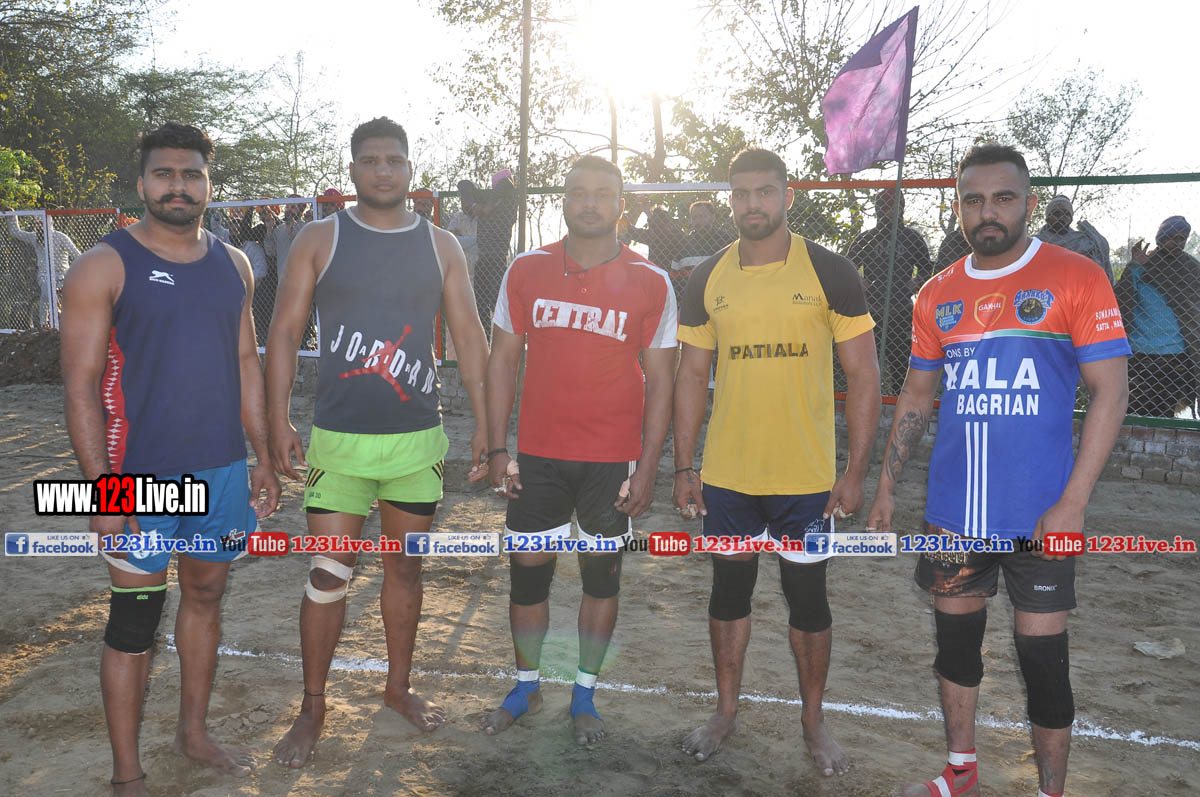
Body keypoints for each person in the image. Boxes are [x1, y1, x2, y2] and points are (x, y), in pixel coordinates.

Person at [867, 144, 1130, 797]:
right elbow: (918, 395)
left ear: (1029, 204)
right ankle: (960, 772)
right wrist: (887, 484)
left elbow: (1111, 391)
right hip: (953, 514)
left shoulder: (1075, 277)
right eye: (974, 199)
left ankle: (1050, 790)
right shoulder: (936, 294)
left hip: (1042, 514)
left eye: (1003, 198)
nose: (988, 212)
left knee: (1043, 660)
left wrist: (1073, 502)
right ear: (958, 208)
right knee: (955, 648)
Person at [59, 122, 281, 794]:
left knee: (206, 595)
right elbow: (79, 386)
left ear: (209, 185)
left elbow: (245, 361)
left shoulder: (235, 264)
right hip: (138, 480)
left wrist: (262, 455)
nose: (177, 186)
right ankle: (127, 772)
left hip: (221, 470)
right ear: (142, 183)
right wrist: (101, 492)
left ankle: (193, 732)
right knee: (134, 619)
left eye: (191, 175)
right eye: (164, 174)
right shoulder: (103, 265)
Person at [265, 116, 490, 768]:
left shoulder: (442, 245)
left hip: (416, 444)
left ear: (411, 170)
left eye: (394, 160)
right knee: (328, 573)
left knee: (405, 570)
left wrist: (488, 427)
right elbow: (284, 333)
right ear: (353, 170)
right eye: (371, 160)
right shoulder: (319, 237)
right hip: (338, 444)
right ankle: (313, 707)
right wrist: (277, 420)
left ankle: (397, 688)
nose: (383, 170)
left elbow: (470, 337)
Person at [673, 148, 881, 774]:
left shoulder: (831, 271)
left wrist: (855, 471)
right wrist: (684, 467)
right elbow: (691, 376)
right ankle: (726, 712)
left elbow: (864, 375)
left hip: (807, 481)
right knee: (728, 595)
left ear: (788, 196)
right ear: (730, 200)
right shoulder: (708, 277)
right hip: (729, 478)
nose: (753, 204)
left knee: (808, 602)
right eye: (741, 193)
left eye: (765, 191)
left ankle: (813, 723)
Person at [480, 155, 676, 746]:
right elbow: (502, 362)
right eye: (578, 192)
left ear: (621, 205)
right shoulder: (525, 269)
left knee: (601, 579)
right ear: (563, 200)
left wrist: (648, 466)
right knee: (527, 578)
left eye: (602, 193)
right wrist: (497, 449)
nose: (589, 203)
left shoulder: (651, 280)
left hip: (610, 462)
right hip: (538, 457)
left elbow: (662, 381)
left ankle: (584, 696)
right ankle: (526, 687)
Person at [845, 187, 932, 395]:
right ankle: (865, 400)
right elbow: (848, 265)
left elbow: (927, 267)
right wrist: (859, 281)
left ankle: (898, 403)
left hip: (901, 309)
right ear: (880, 208)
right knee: (866, 364)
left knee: (901, 366)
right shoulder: (868, 238)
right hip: (871, 310)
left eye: (898, 206)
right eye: (889, 206)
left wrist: (917, 282)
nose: (893, 211)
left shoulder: (911, 237)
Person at [1114, 215, 1199, 417]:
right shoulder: (1144, 264)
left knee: (1165, 414)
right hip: (1141, 351)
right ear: (1161, 238)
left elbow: (1193, 309)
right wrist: (1135, 267)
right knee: (1134, 411)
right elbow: (1123, 298)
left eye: (1182, 239)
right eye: (1172, 238)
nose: (1177, 243)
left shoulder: (1191, 269)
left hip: (1175, 353)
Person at [4, 206, 82, 326]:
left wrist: (79, 271)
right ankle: (43, 324)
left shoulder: (61, 237)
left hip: (63, 274)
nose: (39, 226)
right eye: (37, 224)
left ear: (49, 224)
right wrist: (12, 216)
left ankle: (73, 321)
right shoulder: (34, 237)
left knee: (74, 296)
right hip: (44, 274)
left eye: (41, 223)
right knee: (46, 293)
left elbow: (77, 254)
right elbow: (16, 232)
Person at [474, 169, 519, 330]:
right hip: (483, 259)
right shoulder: (484, 201)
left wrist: (488, 207)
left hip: (498, 259)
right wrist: (479, 206)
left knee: (498, 304)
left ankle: (501, 338)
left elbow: (506, 184)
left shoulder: (509, 203)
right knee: (480, 305)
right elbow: (463, 185)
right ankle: (484, 339)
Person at [1035, 194, 1113, 282]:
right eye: (1056, 214)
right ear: (1048, 217)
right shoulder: (1036, 242)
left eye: (1066, 214)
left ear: (1071, 219)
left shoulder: (1081, 241)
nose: (1061, 218)